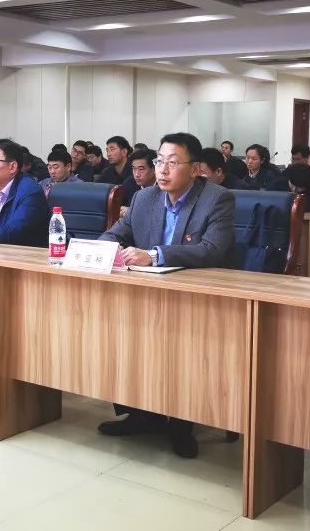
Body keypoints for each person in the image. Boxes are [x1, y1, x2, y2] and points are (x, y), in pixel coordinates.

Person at [97, 132, 235, 459]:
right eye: (159, 161)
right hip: (148, 293)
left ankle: (182, 424)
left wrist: (154, 254)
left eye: (173, 163)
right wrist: (99, 250)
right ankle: (142, 414)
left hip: (198, 296)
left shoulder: (217, 198)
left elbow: (212, 250)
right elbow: (115, 235)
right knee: (125, 335)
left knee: (182, 347)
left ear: (196, 169)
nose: (162, 170)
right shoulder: (145, 198)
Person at [120, 148, 158, 213]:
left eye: (141, 169)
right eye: (134, 169)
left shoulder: (163, 187)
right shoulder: (129, 183)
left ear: (154, 169)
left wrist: (132, 211)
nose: (136, 174)